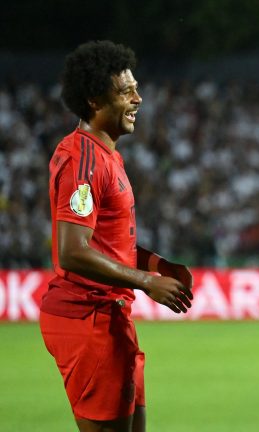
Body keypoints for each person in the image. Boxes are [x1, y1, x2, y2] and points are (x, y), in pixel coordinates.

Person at [40, 40, 194, 432]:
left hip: (109, 316)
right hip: (88, 319)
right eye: (126, 92)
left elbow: (108, 243)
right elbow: (72, 251)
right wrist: (146, 282)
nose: (138, 98)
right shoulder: (84, 160)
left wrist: (158, 265)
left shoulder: (105, 153)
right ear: (94, 100)